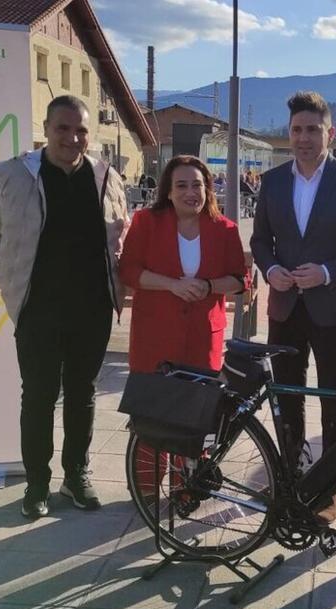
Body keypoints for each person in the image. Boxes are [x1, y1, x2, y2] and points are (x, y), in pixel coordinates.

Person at [0, 95, 128, 519]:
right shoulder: (11, 174)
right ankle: (37, 484)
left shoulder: (104, 176)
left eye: (80, 130)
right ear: (46, 128)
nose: (72, 138)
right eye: (63, 128)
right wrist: (4, 273)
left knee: (83, 394)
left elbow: (122, 228)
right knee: (38, 396)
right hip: (38, 307)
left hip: (92, 306)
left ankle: (76, 475)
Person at [249, 90, 336, 522]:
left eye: (313, 130)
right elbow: (260, 241)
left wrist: (326, 272)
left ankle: (327, 492)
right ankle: (287, 477)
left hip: (330, 310)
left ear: (330, 133)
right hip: (284, 307)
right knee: (286, 398)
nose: (304, 138)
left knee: (333, 401)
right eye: (297, 130)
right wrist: (270, 271)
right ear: (289, 134)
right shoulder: (273, 181)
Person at [119, 155, 248, 499]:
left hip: (203, 338)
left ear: (208, 188)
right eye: (182, 185)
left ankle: (186, 488)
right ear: (169, 191)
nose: (191, 192)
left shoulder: (225, 229)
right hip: (154, 337)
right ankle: (146, 491)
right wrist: (171, 284)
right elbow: (129, 271)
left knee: (195, 417)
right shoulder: (146, 221)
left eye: (197, 184)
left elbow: (240, 280)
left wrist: (207, 286)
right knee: (152, 415)